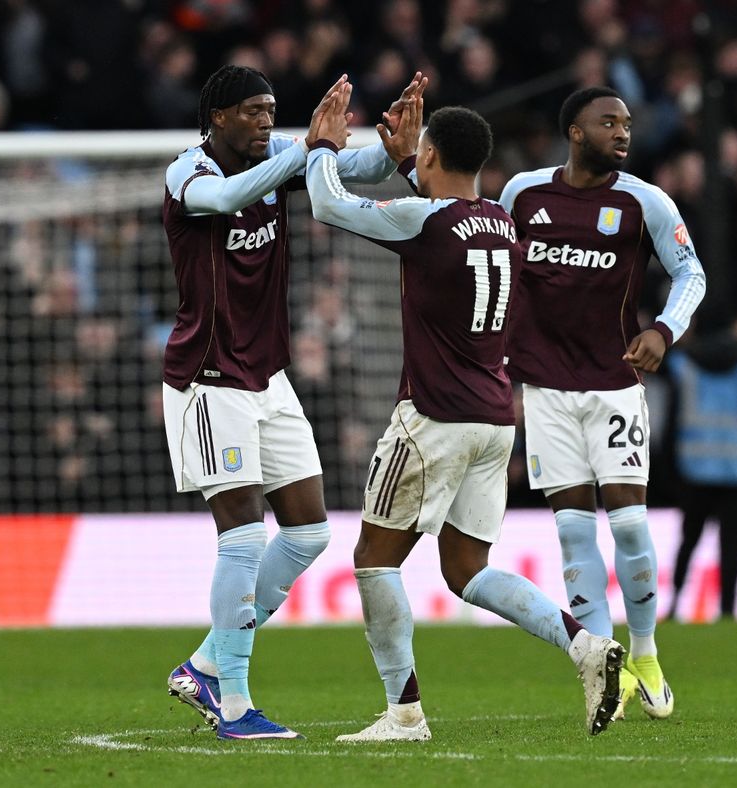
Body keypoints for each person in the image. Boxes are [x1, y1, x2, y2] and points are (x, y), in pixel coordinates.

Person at [305, 85, 625, 743]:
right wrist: (406, 167)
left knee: (373, 558)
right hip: (493, 417)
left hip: (434, 417)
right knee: (466, 570)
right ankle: (584, 646)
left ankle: (403, 714)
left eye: (418, 153)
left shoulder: (424, 221)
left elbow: (326, 203)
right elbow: (441, 221)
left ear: (430, 153)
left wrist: (323, 147)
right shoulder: (499, 221)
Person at [160, 64, 426, 741]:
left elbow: (350, 169)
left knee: (308, 531)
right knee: (245, 535)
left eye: (272, 110)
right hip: (208, 378)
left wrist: (391, 150)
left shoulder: (279, 157)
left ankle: (208, 663)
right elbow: (221, 203)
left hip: (267, 376)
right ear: (217, 116)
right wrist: (307, 152)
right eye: (253, 110)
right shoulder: (187, 173)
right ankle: (236, 703)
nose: (264, 122)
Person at [498, 86, 707, 721]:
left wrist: (662, 330)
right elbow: (498, 274)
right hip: (545, 391)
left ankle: (644, 650)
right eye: (607, 122)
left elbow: (691, 273)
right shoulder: (522, 196)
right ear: (575, 131)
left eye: (627, 123)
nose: (622, 132)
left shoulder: (644, 201)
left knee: (630, 526)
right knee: (571, 532)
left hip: (615, 384)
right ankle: (601, 663)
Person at [664, 315, 737, 621]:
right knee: (733, 546)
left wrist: (667, 472)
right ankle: (727, 609)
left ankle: (674, 604)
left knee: (688, 541)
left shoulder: (683, 364)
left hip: (694, 470)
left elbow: (670, 423)